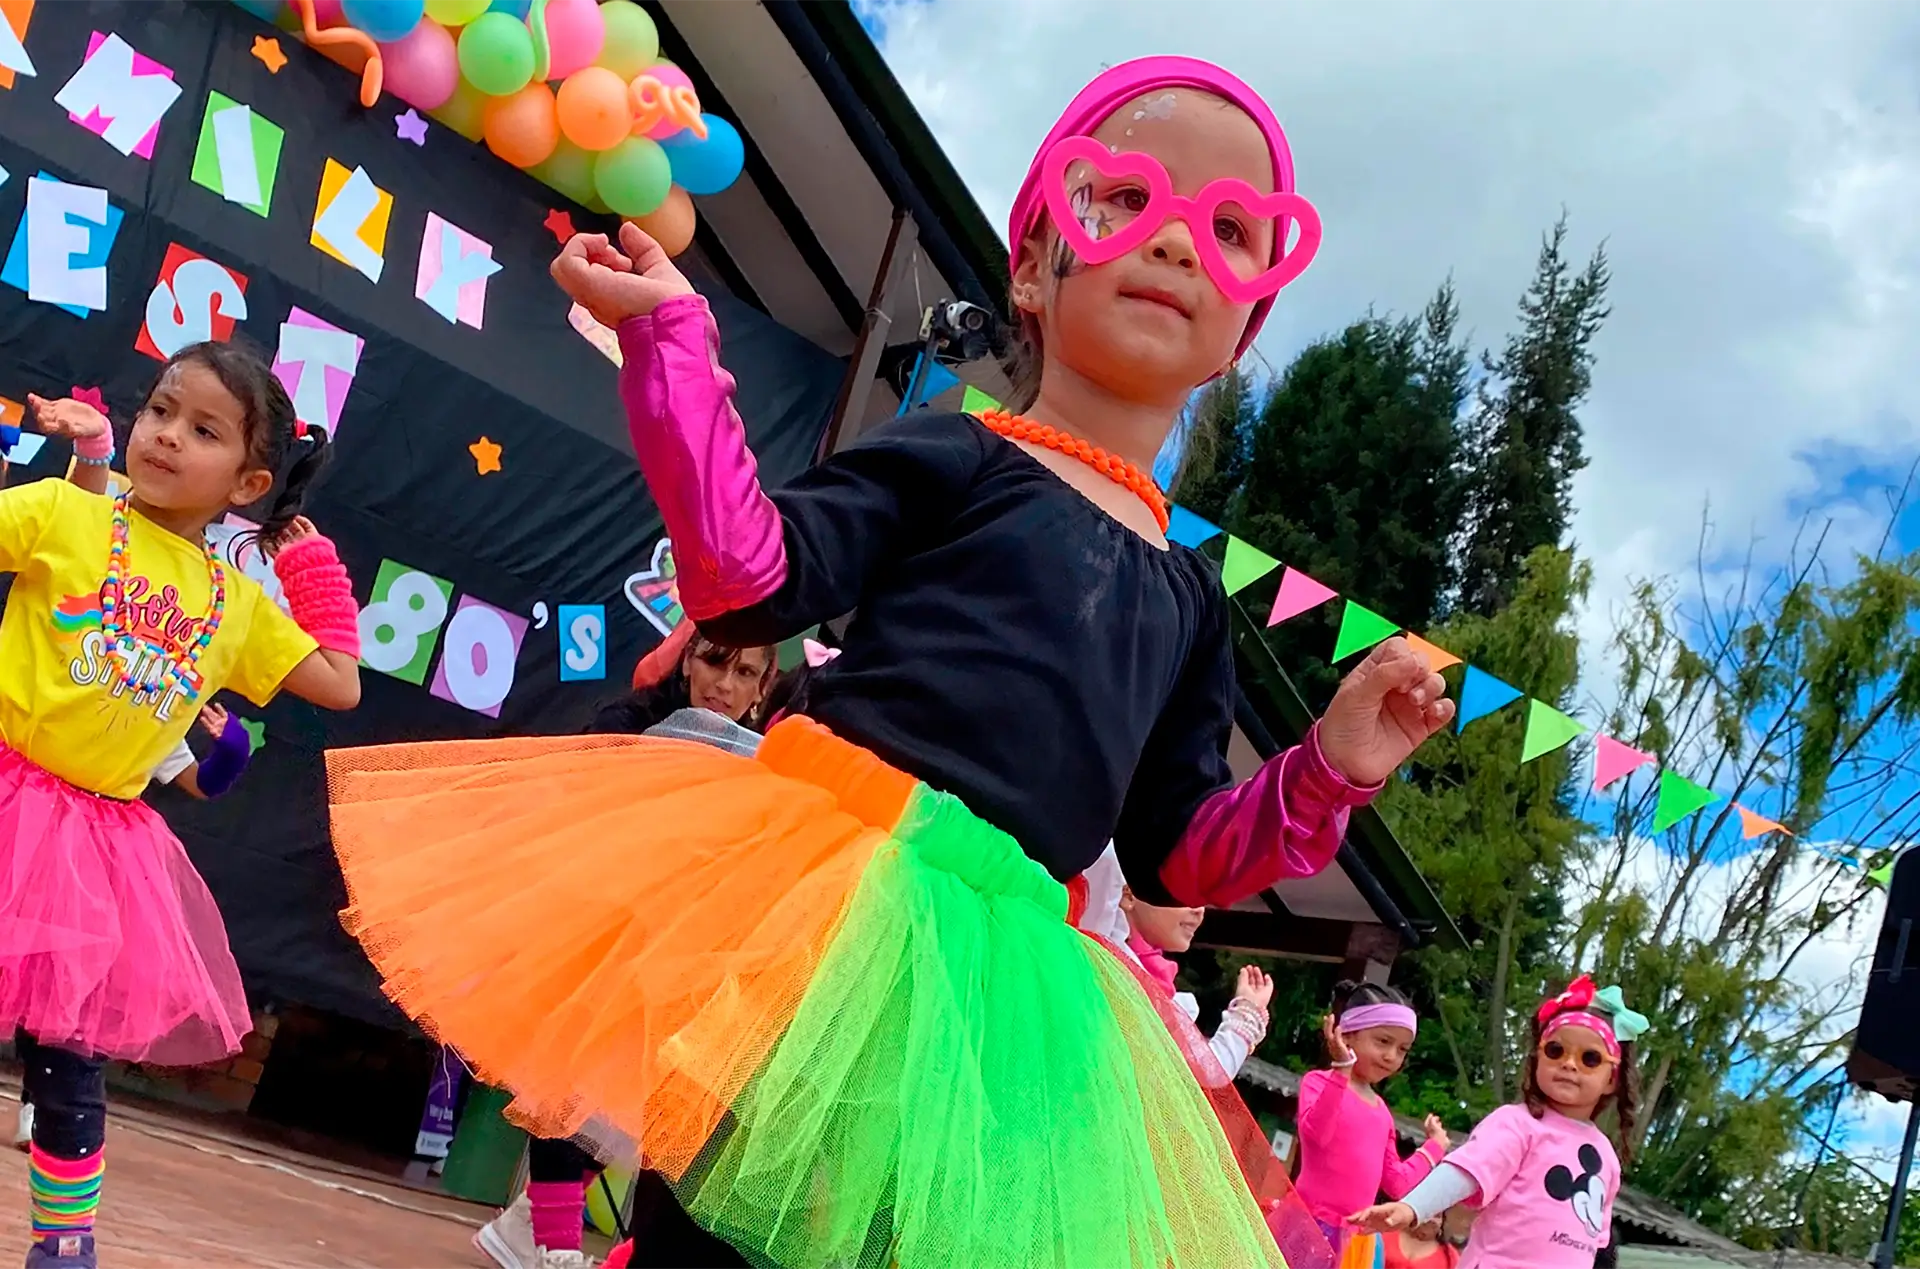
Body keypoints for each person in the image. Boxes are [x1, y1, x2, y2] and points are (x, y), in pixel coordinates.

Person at [327, 55, 1455, 1268]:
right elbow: (750, 579)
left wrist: (1333, 766)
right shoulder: (954, 458)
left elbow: (1184, 848)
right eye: (1124, 199)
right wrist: (672, 350)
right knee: (706, 1219)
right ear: (1031, 264)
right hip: (825, 895)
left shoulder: (1189, 599)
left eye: (1232, 229)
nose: (1178, 243)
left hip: (1004, 983)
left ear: (1246, 327)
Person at [0, 349, 362, 1268]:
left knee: (71, 1056)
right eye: (161, 410)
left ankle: (63, 1243)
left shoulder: (235, 606)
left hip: (93, 848)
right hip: (9, 794)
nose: (165, 434)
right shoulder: (67, 515)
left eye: (202, 429)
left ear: (248, 481)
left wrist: (314, 570)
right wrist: (44, 453)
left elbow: (340, 684)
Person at [475, 632, 775, 1269]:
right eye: (714, 663)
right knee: (577, 1079)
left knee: (636, 1102)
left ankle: (535, 1225)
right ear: (687, 662)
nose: (725, 684)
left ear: (761, 689)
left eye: (744, 671)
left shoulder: (768, 760)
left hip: (687, 950)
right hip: (607, 927)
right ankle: (548, 1239)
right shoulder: (634, 725)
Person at [1350, 977, 1645, 1268]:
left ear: (1612, 1079)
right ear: (1537, 1058)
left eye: (1590, 1058)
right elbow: (1464, 1172)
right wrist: (1411, 1207)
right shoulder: (1519, 1124)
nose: (1569, 1064)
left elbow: (1595, 1245)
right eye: (1556, 1051)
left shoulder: (1606, 1156)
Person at [1294, 981, 1450, 1254]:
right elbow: (1317, 1135)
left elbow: (1396, 1183)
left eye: (1402, 1049)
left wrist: (1434, 1146)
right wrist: (1342, 1070)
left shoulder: (1382, 1114)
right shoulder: (1318, 1083)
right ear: (1347, 1035)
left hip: (1356, 1244)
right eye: (1383, 1041)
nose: (1391, 1056)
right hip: (1307, 1226)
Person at [1380, 1217, 1458, 1269]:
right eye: (1428, 1213)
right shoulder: (1385, 1235)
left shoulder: (1449, 1255)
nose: (1431, 1219)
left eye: (1437, 1216)